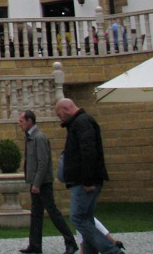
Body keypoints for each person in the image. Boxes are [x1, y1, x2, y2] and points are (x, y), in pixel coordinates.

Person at [55, 98, 123, 254]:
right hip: (84, 180)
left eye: (59, 115)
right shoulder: (80, 122)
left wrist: (87, 180)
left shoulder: (82, 122)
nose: (60, 119)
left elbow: (89, 152)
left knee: (78, 218)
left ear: (66, 109)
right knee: (87, 219)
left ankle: (112, 251)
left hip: (84, 182)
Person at [18, 110, 78, 254]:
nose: (20, 124)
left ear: (30, 121)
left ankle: (70, 242)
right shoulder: (30, 137)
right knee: (36, 214)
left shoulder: (39, 137)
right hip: (35, 182)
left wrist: (37, 183)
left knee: (53, 212)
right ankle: (35, 245)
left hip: (42, 183)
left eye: (21, 121)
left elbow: (43, 162)